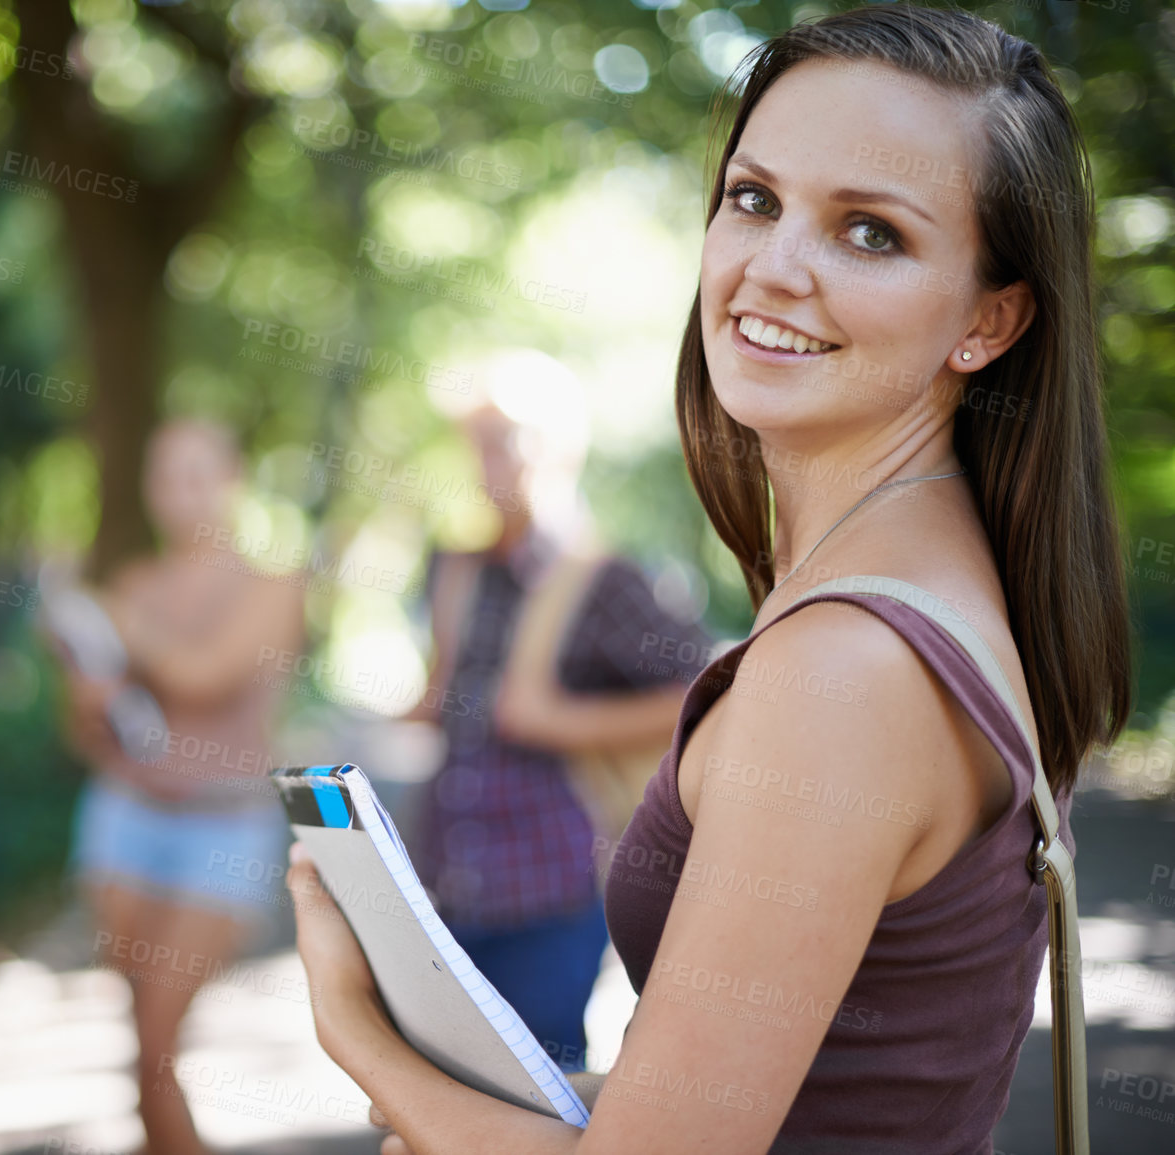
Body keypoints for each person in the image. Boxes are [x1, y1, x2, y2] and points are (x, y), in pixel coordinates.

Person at [286, 7, 1130, 1153]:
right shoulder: (932, 593)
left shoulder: (844, 671)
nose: (774, 267)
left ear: (989, 320)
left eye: (871, 232)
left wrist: (363, 1038)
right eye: (754, 197)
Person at [409, 403, 711, 1073]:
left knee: (540, 1085)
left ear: (555, 449)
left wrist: (558, 721)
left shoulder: (606, 580)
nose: (485, 463)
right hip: (448, 879)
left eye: (501, 444)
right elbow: (445, 698)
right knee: (447, 1087)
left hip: (551, 883)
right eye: (476, 445)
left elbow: (707, 692)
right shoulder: (458, 569)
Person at [57, 417, 304, 1155]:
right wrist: (88, 703)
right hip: (127, 817)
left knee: (156, 1037)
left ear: (233, 479)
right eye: (166, 475)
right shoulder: (135, 584)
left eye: (199, 472)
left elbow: (207, 676)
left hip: (224, 831)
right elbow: (86, 731)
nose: (182, 493)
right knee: (143, 1040)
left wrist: (121, 626)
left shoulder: (273, 584)